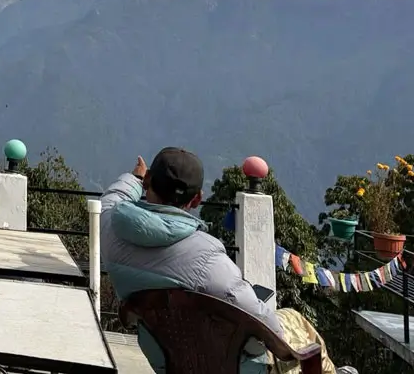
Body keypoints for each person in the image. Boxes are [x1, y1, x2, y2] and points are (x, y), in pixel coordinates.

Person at [101, 148, 356, 374]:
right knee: (294, 320)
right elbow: (268, 327)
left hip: (168, 361)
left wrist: (133, 178)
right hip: (235, 366)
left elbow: (113, 199)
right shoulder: (207, 256)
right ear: (197, 199)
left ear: (147, 181)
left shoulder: (112, 227)